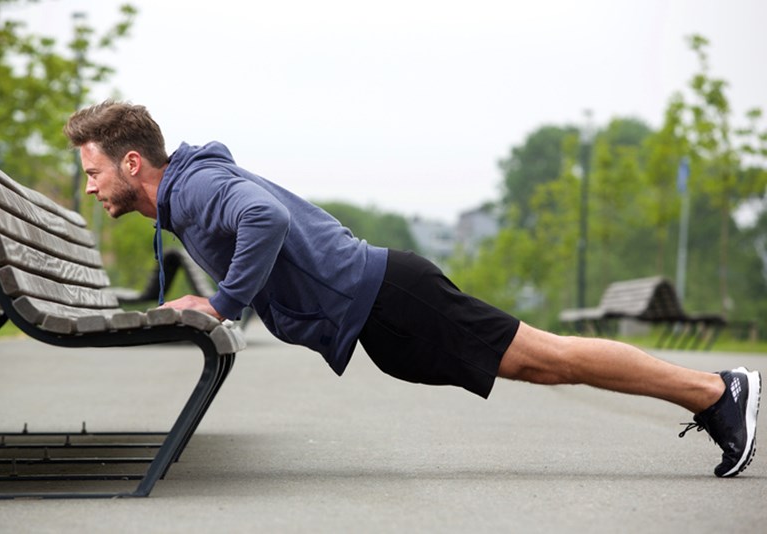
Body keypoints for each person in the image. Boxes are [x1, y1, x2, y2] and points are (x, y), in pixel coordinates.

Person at [64, 100, 761, 478]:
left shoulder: (201, 187)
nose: (90, 188)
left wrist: (220, 303)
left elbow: (264, 218)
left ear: (132, 162)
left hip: (392, 296)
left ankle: (714, 393)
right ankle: (712, 392)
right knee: (547, 360)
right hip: (383, 304)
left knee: (552, 359)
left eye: (94, 173)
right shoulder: (188, 192)